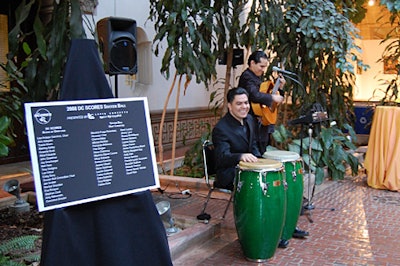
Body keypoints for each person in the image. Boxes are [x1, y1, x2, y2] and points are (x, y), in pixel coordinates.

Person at [238, 50, 309, 248]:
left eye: (265, 66)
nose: (263, 69)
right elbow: (253, 95)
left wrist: (279, 91)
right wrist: (271, 99)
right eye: (260, 66)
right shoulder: (247, 77)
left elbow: (270, 96)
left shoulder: (261, 79)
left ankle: (284, 225)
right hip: (253, 128)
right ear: (251, 63)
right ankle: (270, 226)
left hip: (263, 126)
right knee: (262, 161)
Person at [212, 87, 261, 191]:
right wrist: (241, 156)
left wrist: (260, 161)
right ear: (230, 106)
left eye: (246, 103)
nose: (244, 107)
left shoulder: (250, 119)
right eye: (239, 104)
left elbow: (254, 144)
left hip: (248, 168)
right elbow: (222, 157)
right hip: (230, 173)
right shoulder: (221, 129)